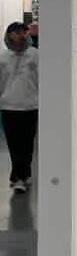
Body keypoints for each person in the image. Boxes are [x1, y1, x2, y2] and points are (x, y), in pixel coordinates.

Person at [0, 21, 38, 192]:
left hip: (30, 106)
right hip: (9, 107)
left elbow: (42, 80)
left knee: (27, 144)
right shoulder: (3, 58)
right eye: (15, 35)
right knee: (14, 144)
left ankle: (21, 175)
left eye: (22, 34)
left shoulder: (36, 56)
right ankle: (20, 176)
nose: (19, 38)